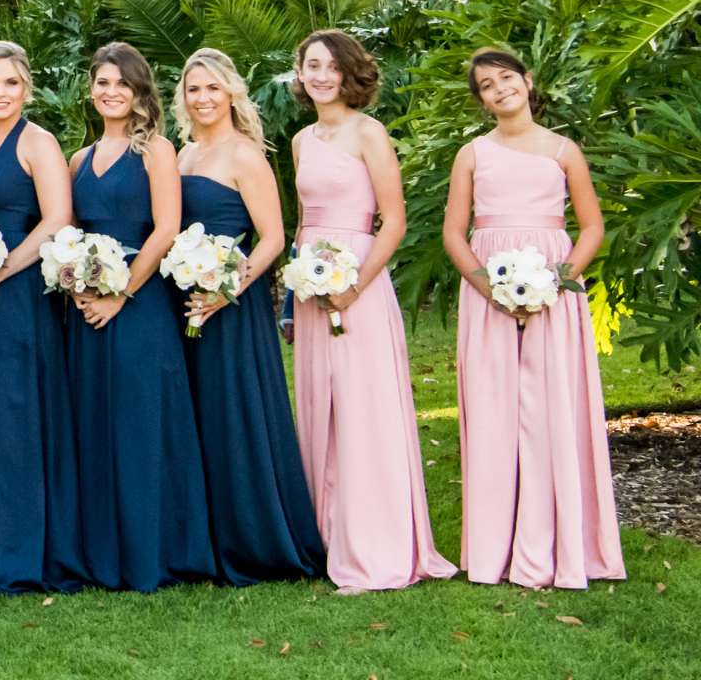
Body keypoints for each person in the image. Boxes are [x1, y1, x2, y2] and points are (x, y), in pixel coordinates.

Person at [442, 47, 623, 590]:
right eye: (487, 86)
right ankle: (496, 548)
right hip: (489, 292)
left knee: (553, 411)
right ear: (481, 101)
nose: (500, 89)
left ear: (527, 80)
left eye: (506, 78)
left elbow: (591, 226)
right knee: (495, 410)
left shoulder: (564, 151)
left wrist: (560, 279)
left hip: (554, 290)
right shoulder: (472, 154)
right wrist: (487, 288)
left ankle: (563, 538)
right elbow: (454, 232)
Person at [290, 29, 455, 593]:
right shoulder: (302, 139)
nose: (320, 75)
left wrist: (354, 286)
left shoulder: (369, 133)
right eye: (311, 65)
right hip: (312, 285)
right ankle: (327, 535)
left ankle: (378, 545)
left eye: (331, 67)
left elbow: (395, 221)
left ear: (349, 74)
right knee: (321, 406)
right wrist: (298, 288)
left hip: (358, 275)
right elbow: (301, 222)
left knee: (363, 408)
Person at [61, 43, 214, 592]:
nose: (110, 91)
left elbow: (166, 228)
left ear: (139, 91)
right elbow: (69, 234)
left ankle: (156, 551)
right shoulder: (78, 160)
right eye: (102, 82)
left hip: (139, 302)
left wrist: (119, 293)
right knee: (93, 421)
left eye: (121, 83)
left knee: (141, 422)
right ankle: (102, 553)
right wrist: (78, 282)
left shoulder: (157, 152)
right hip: (85, 307)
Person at [174, 48, 324, 585]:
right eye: (194, 89)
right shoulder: (180, 155)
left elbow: (274, 237)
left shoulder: (244, 155)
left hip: (231, 306)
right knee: (194, 416)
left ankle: (254, 537)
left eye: (212, 88)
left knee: (235, 414)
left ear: (232, 93)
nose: (203, 98)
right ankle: (203, 537)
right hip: (184, 302)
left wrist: (227, 288)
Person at [0, 40, 84, 595]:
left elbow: (57, 218)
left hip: (21, 294)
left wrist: (0, 271)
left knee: (17, 417)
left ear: (25, 87)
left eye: (10, 83)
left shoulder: (38, 141)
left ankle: (22, 552)